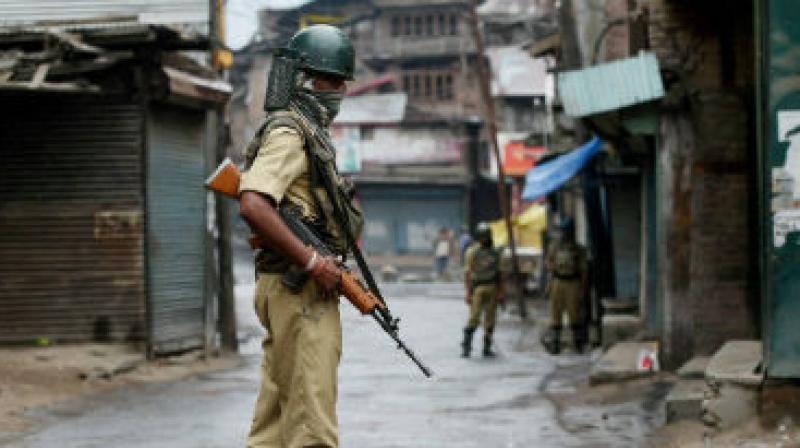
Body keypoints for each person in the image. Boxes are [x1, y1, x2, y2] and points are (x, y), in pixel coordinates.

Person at [238, 24, 360, 448]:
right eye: (333, 80)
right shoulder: (291, 132)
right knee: (311, 431)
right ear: (307, 80)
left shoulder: (304, 131)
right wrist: (312, 262)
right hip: (299, 291)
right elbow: (253, 202)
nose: (340, 90)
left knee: (275, 427)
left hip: (287, 290)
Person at [543, 218, 588, 355]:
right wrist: (552, 271)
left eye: (567, 231)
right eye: (563, 231)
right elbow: (548, 262)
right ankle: (555, 343)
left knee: (574, 313)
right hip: (558, 281)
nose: (565, 234)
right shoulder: (555, 247)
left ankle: (578, 342)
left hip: (572, 282)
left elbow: (584, 270)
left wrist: (583, 288)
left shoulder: (578, 249)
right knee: (555, 313)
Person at [461, 222, 504, 357]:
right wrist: (468, 292)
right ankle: (467, 346)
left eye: (487, 236)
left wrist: (501, 291)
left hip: (492, 287)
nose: (485, 239)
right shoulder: (472, 252)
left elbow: (501, 273)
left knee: (490, 319)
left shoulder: (495, 252)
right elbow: (468, 273)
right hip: (477, 288)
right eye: (483, 236)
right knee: (474, 317)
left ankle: (487, 347)